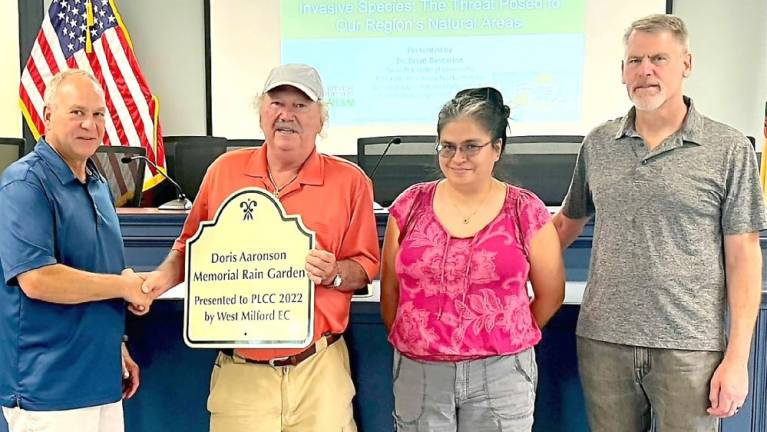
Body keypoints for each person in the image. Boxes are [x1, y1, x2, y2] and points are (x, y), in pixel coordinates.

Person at [553, 14, 766, 431]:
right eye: (634, 60)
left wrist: (738, 358)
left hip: (691, 349)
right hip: (604, 343)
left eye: (658, 59)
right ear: (622, 71)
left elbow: (744, 256)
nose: (644, 70)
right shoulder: (598, 144)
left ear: (686, 63)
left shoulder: (729, 148)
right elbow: (565, 225)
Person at [140, 63, 380, 432]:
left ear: (321, 119)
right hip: (242, 375)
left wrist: (334, 273)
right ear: (261, 112)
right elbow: (190, 248)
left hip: (318, 371)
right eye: (277, 103)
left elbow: (365, 265)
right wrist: (158, 280)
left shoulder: (350, 182)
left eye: (301, 106)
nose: (287, 115)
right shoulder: (224, 171)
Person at [380, 87, 565, 431]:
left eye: (471, 146)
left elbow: (552, 294)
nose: (457, 157)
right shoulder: (409, 206)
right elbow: (390, 294)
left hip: (501, 375)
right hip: (420, 375)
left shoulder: (526, 210)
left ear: (496, 148)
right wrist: (422, 341)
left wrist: (504, 338)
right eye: (447, 146)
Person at [0, 69, 152, 432]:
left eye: (99, 114)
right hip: (50, 392)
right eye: (77, 112)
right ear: (47, 115)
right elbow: (38, 280)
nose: (91, 124)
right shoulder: (24, 184)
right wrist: (123, 286)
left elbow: (96, 270)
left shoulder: (98, 184)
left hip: (101, 383)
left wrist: (117, 345)